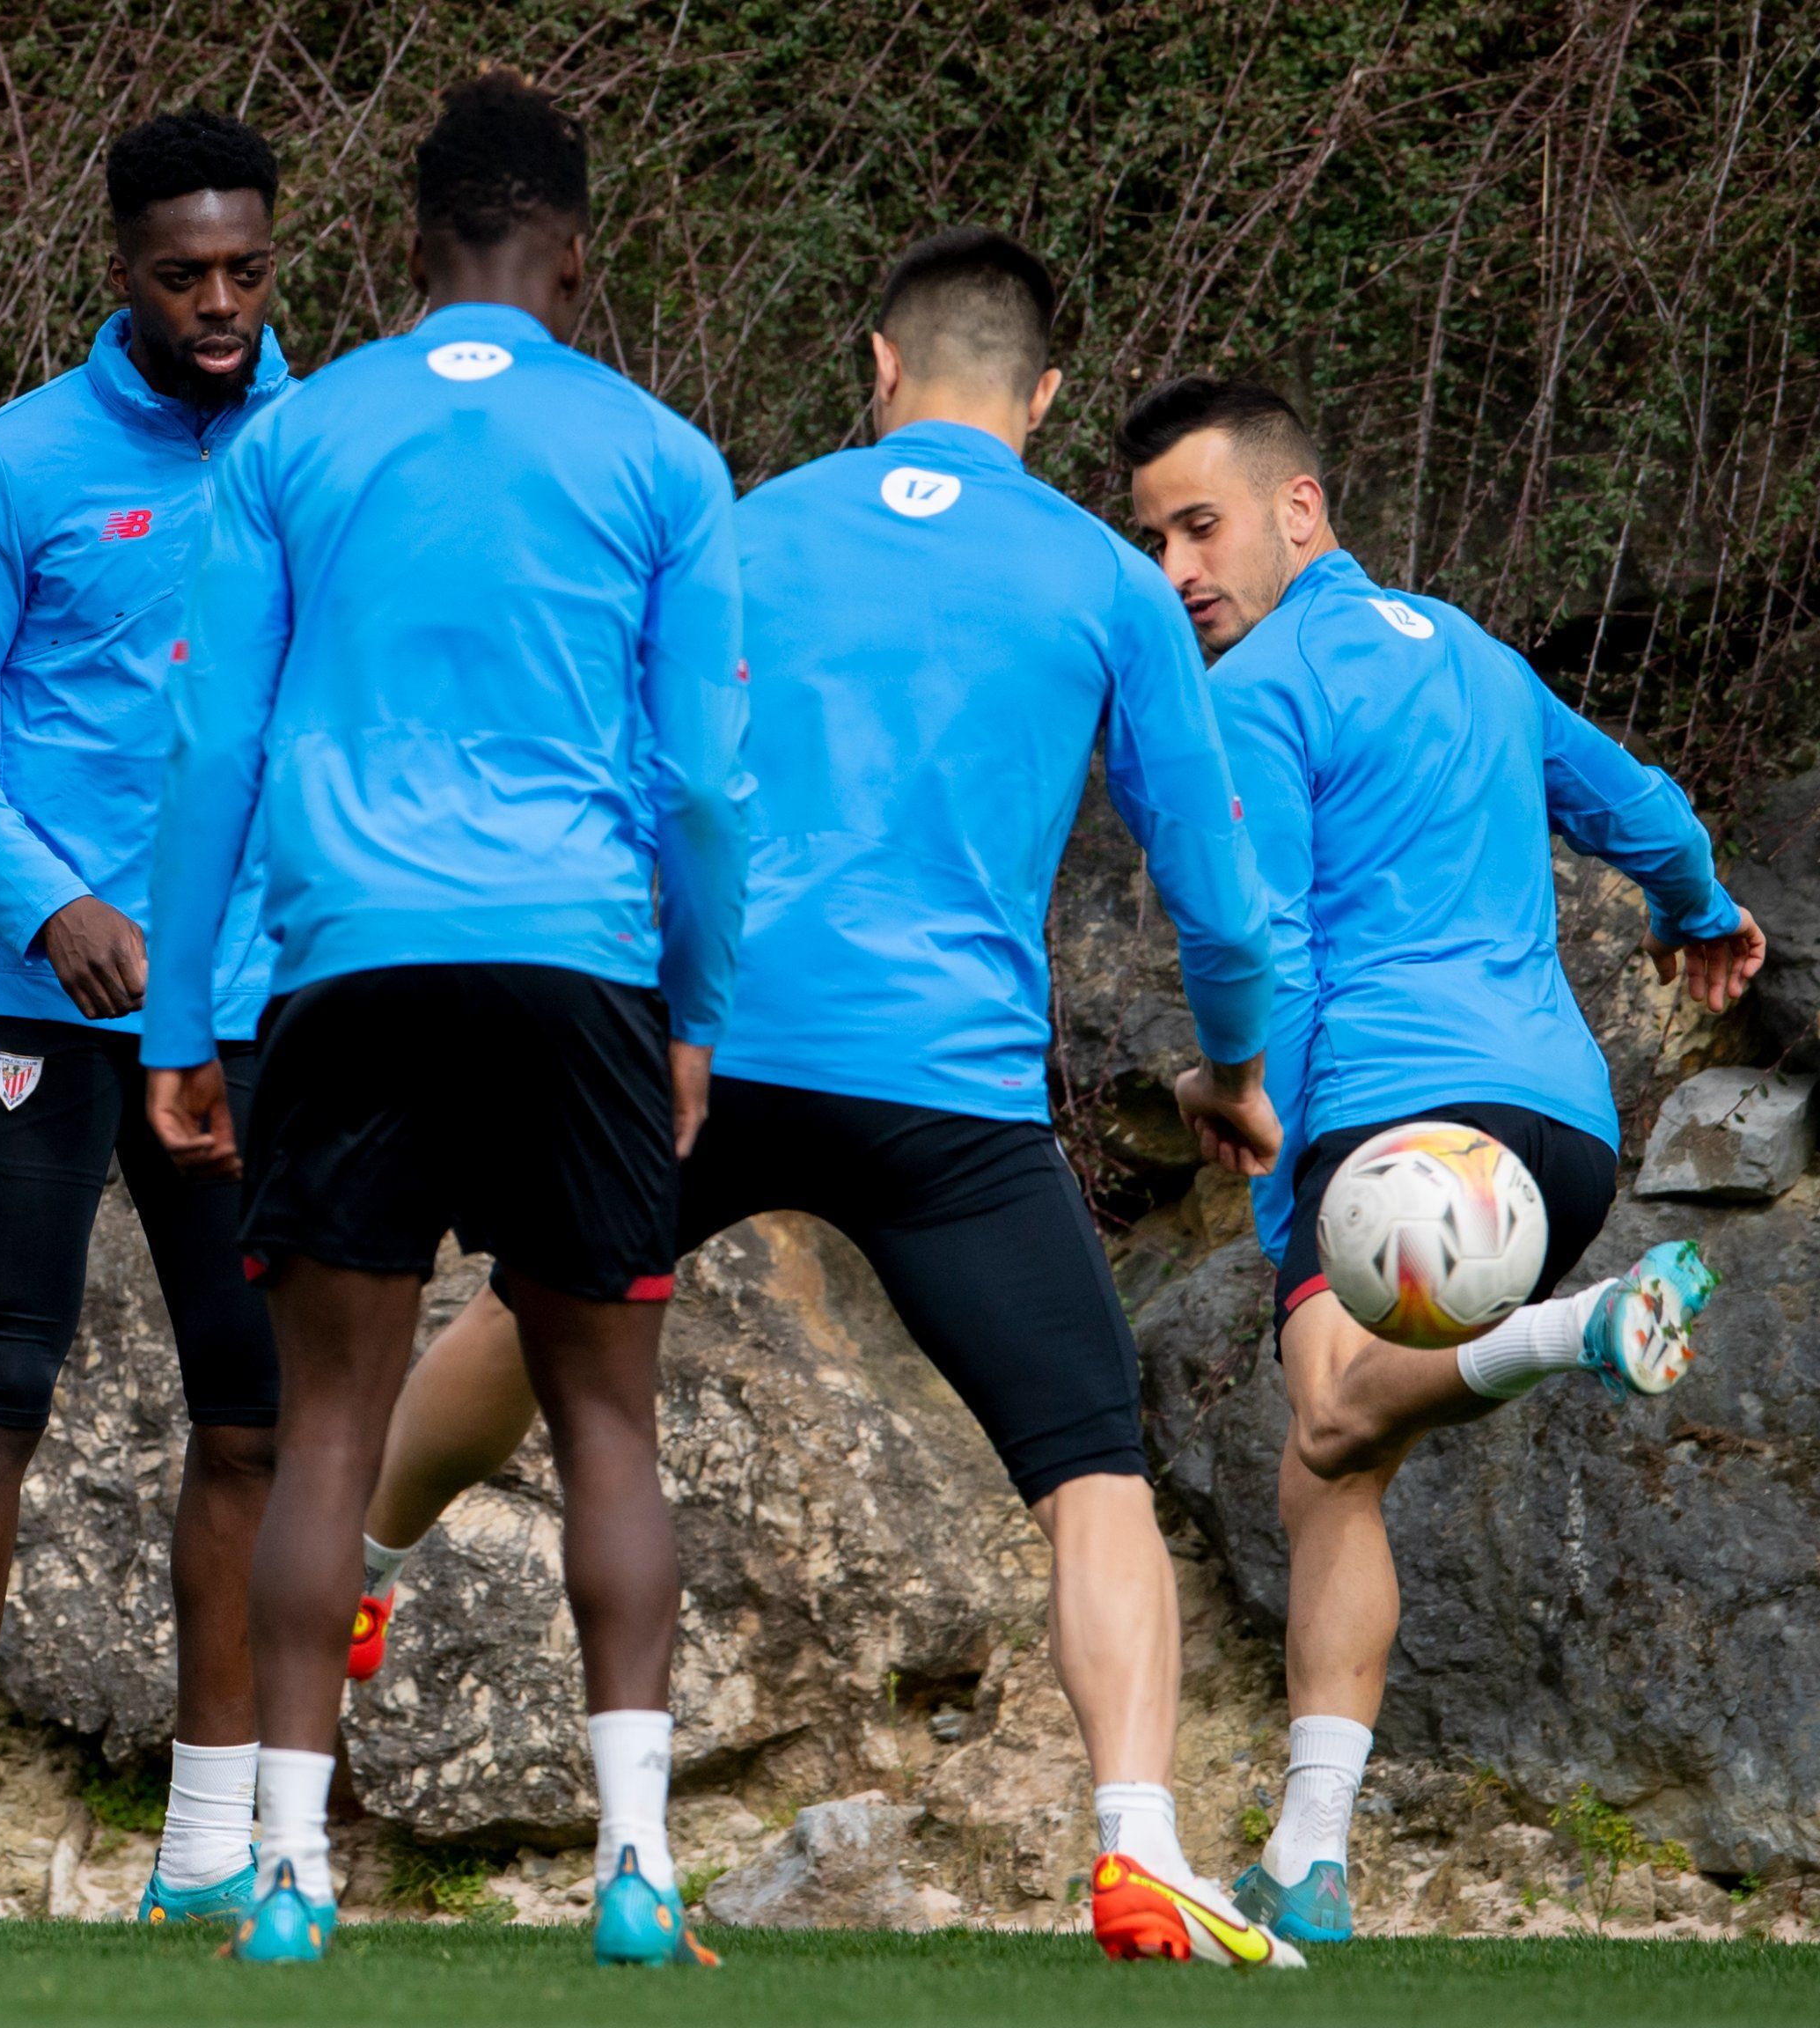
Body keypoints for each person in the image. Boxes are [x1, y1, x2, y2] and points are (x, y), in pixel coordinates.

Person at [322, 230, 1307, 1970]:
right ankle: (1137, 1846)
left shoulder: (743, 522)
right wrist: (1231, 1074)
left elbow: (646, 770)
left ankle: (353, 1566)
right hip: (945, 1098)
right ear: (1043, 396)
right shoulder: (1103, 579)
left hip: (705, 1051)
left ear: (878, 366)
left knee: (531, 1311)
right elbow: (1218, 901)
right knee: (1092, 1475)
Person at [140, 70, 747, 1966]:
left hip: (344, 968)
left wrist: (178, 1024)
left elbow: (211, 744)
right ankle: (635, 1871)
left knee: (325, 1428)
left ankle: (287, 1881)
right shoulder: (662, 454)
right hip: (579, 965)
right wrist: (694, 1005)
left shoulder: (291, 440)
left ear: (409, 254)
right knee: (607, 1425)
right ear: (575, 260)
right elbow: (703, 781)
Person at [1120, 375, 1760, 1945]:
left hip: (1392, 1128)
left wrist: (1253, 1119)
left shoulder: (1260, 688)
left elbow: (1265, 940)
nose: (1178, 570)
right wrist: (1700, 911)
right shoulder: (1474, 652)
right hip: (1565, 1137)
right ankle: (1310, 1856)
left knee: (1332, 1407)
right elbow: (1641, 809)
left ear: (1299, 507)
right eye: (1154, 544)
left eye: (1201, 527)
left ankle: (1575, 1332)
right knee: (1329, 1473)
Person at [0, 107, 291, 1929]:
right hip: (38, 1000)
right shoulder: (9, 461)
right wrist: (51, 901)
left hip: (251, 1008)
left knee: (256, 1420)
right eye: (183, 274)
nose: (218, 303)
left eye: (245, 269)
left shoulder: (324, 449)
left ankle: (204, 1856)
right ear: (121, 272)